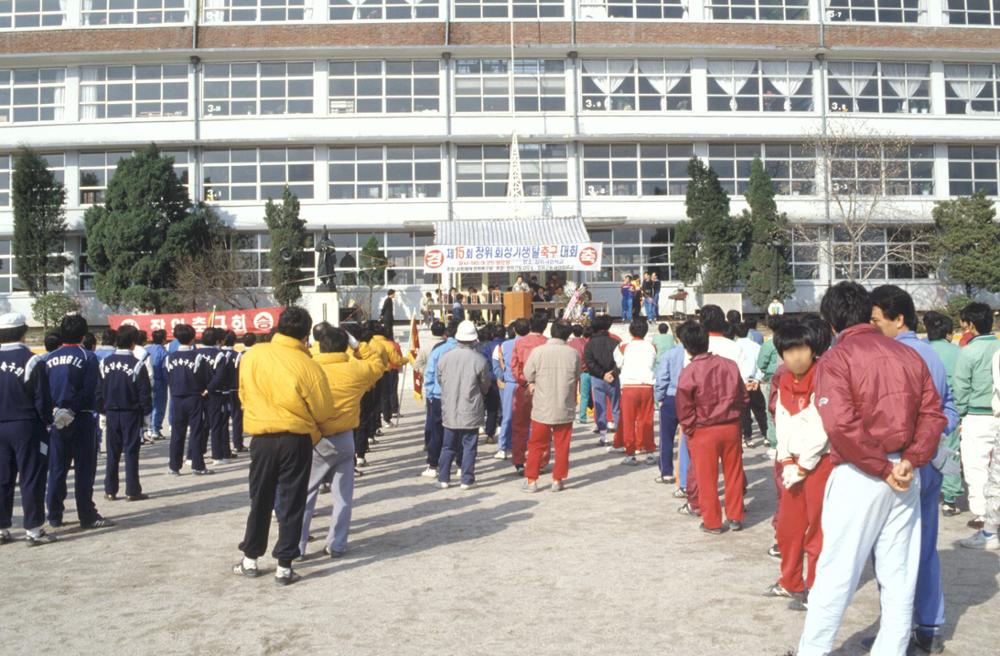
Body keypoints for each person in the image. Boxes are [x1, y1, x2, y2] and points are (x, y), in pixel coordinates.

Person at [796, 282, 946, 656]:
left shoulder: (835, 359)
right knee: (899, 573)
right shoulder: (910, 356)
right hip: (903, 472)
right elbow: (933, 415)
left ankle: (813, 650)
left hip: (862, 472)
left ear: (831, 324)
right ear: (868, 313)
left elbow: (841, 426)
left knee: (836, 572)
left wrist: (884, 467)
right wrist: (910, 460)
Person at [870, 285, 960, 653]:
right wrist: (935, 437)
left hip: (904, 465)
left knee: (893, 552)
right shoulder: (932, 353)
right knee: (923, 548)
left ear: (898, 319)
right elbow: (949, 408)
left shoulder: (895, 356)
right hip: (931, 461)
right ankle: (930, 626)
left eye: (876, 320)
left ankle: (898, 631)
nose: (873, 327)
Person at [234, 307, 338, 585]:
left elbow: (243, 392)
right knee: (292, 500)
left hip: (262, 437)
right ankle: (284, 565)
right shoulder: (309, 365)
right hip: (296, 438)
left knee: (260, 499)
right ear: (306, 334)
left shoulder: (253, 355)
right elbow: (323, 410)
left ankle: (250, 558)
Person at [764, 318, 833, 609]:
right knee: (789, 529)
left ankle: (816, 588)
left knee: (817, 529)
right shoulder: (782, 380)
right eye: (788, 351)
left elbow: (822, 426)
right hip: (791, 463)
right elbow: (780, 420)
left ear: (812, 348)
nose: (795, 357)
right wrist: (786, 458)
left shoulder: (824, 376)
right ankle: (791, 580)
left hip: (818, 464)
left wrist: (803, 464)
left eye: (801, 349)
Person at [300, 325, 383, 559]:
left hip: (314, 436)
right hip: (345, 437)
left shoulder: (308, 366)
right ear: (345, 344)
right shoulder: (355, 369)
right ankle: (336, 544)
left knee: (305, 494)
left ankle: (296, 546)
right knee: (343, 496)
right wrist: (358, 346)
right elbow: (378, 364)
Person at [675, 320, 748, 535]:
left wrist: (689, 429)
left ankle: (713, 522)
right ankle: (735, 516)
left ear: (686, 347)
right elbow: (743, 398)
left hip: (703, 429)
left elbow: (684, 406)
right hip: (730, 425)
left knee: (706, 477)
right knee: (733, 472)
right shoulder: (729, 365)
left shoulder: (690, 371)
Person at [44, 314, 110, 529]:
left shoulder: (48, 358)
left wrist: (55, 410)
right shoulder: (88, 357)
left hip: (55, 420)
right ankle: (87, 515)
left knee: (57, 469)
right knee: (84, 469)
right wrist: (71, 410)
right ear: (83, 334)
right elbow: (90, 388)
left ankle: (54, 515)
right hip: (81, 417)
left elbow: (42, 390)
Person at [0, 312, 56, 546]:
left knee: (2, 478)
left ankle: (2, 529)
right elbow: (42, 399)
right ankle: (33, 529)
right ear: (23, 332)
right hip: (26, 425)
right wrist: (46, 422)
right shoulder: (33, 360)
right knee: (31, 476)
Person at [952, 302, 1000, 541]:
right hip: (997, 414)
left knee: (976, 465)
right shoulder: (999, 347)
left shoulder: (969, 351)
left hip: (976, 415)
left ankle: (983, 514)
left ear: (970, 324)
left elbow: (960, 387)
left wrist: (959, 413)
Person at [522, 320, 580, 492]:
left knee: (536, 445)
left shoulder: (538, 351)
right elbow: (577, 373)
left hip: (542, 405)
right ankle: (557, 479)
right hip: (564, 405)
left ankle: (531, 480)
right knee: (562, 445)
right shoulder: (573, 353)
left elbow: (527, 373)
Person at [98, 325, 153, 503]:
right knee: (131, 451)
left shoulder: (105, 363)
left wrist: (102, 411)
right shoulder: (137, 364)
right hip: (131, 413)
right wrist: (146, 414)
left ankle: (110, 490)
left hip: (111, 412)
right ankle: (132, 490)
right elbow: (144, 391)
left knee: (112, 453)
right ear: (133, 343)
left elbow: (99, 390)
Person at [436, 320, 491, 490]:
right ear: (474, 339)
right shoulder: (479, 360)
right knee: (469, 445)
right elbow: (485, 385)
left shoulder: (445, 357)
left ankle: (444, 477)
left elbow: (440, 380)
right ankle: (466, 479)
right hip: (471, 408)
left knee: (448, 446)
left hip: (450, 406)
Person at [923, 311, 963, 515]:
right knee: (951, 453)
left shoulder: (921, 350)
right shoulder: (957, 352)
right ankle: (950, 499)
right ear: (949, 333)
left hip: (923, 412)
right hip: (950, 410)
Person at [164, 324, 212, 476]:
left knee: (177, 433)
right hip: (194, 397)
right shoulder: (197, 357)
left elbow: (168, 377)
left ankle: (174, 466)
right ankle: (197, 465)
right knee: (196, 431)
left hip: (177, 398)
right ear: (193, 338)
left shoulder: (170, 358)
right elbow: (205, 377)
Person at [510, 313, 551, 474]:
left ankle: (519, 460)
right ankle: (540, 460)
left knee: (520, 426)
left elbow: (514, 367)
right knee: (543, 426)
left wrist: (525, 382)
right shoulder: (548, 344)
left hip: (524, 388)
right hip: (543, 389)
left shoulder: (520, 343)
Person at [614, 318, 657, 466]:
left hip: (629, 386)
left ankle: (630, 453)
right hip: (647, 386)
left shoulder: (623, 346)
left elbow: (618, 363)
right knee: (647, 420)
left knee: (628, 421)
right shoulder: (652, 347)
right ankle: (650, 451)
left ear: (631, 331)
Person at [421, 320, 458, 478]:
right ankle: (461, 464)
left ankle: (433, 465)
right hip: (459, 396)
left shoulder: (438, 350)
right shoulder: (469, 350)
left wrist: (429, 393)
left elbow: (429, 374)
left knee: (437, 431)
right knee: (460, 431)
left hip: (438, 395)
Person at [493, 320, 527, 461]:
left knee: (507, 415)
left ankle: (503, 447)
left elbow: (497, 364)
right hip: (527, 383)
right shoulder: (531, 344)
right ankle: (527, 445)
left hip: (510, 383)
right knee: (527, 417)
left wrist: (501, 377)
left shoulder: (504, 345)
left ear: (514, 329)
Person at [584, 314, 621, 446]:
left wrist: (601, 374)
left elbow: (589, 362)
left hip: (597, 378)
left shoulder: (589, 344)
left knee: (600, 407)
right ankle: (619, 435)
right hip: (613, 378)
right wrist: (613, 373)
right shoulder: (615, 342)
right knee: (616, 407)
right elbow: (620, 361)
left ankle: (603, 436)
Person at [653, 339, 686, 486]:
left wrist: (659, 398)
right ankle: (687, 473)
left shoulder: (669, 354)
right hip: (689, 398)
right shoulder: (696, 354)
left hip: (671, 397)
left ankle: (666, 471)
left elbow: (662, 378)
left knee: (666, 437)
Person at [204, 328, 234, 465]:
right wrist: (208, 388)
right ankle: (218, 455)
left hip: (200, 393)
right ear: (218, 341)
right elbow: (221, 376)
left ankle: (193, 455)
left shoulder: (196, 353)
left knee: (200, 425)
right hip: (216, 393)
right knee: (218, 424)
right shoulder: (219, 355)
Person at [232, 332, 253, 453]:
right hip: (255, 390)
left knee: (237, 418)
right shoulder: (257, 355)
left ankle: (237, 443)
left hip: (241, 389)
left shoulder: (240, 355)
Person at [146, 329, 168, 441]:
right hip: (159, 381)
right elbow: (165, 369)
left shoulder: (147, 349)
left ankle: (149, 428)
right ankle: (155, 429)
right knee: (159, 406)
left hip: (147, 380)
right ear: (163, 339)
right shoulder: (163, 352)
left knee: (149, 404)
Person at [567, 324, 591, 423]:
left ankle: (571, 413)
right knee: (584, 394)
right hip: (584, 370)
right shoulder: (585, 343)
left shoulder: (569, 343)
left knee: (570, 393)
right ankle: (582, 415)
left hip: (571, 370)